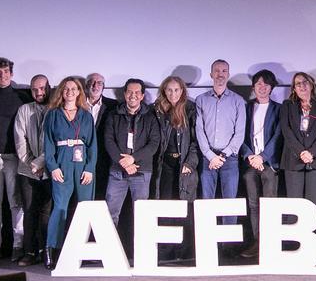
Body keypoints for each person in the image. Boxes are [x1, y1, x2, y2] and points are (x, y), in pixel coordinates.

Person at [42, 76, 98, 270]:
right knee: (60, 207)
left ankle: (84, 251)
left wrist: (90, 168)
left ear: (80, 92)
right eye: (66, 89)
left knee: (85, 208)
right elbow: (48, 144)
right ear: (61, 92)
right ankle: (51, 250)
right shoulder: (52, 115)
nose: (70, 92)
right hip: (62, 163)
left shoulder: (86, 115)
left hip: (82, 163)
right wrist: (53, 167)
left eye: (74, 88)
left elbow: (92, 145)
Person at [0, 57, 31, 262]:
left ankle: (17, 245)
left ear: (11, 73)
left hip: (13, 156)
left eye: (6, 72)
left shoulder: (20, 97)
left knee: (15, 202)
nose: (2, 75)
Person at [103, 79, 162, 231]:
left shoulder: (151, 117)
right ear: (124, 94)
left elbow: (154, 143)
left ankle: (142, 252)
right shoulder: (113, 115)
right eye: (130, 92)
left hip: (141, 172)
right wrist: (123, 162)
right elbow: (108, 141)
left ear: (142, 96)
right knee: (110, 214)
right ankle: (110, 250)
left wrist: (133, 159)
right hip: (117, 171)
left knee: (142, 215)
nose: (133, 95)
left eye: (137, 92)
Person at [153, 75, 199, 262]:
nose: (173, 94)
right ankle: (166, 250)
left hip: (184, 165)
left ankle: (184, 251)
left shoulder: (190, 109)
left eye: (177, 90)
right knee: (165, 206)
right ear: (164, 90)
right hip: (164, 166)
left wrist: (190, 162)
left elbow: (197, 141)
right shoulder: (156, 110)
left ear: (182, 91)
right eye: (169, 90)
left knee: (185, 207)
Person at [195, 59, 246, 225]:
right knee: (207, 200)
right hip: (207, 157)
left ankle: (228, 246)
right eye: (217, 71)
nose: (220, 74)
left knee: (229, 202)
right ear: (211, 74)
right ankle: (207, 238)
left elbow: (239, 133)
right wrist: (211, 156)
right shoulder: (201, 100)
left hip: (229, 158)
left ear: (228, 75)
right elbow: (199, 130)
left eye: (224, 71)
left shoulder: (238, 101)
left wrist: (222, 156)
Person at [239, 69, 282, 258]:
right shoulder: (246, 108)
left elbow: (278, 136)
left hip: (269, 164)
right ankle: (258, 243)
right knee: (253, 204)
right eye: (258, 84)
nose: (262, 88)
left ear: (271, 88)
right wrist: (249, 156)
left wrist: (263, 157)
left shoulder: (279, 109)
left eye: (265, 84)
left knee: (270, 205)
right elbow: (239, 133)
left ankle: (271, 243)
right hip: (250, 164)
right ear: (253, 87)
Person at [279, 72, 316, 219]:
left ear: (311, 84)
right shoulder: (287, 105)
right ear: (293, 88)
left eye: (305, 82)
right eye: (297, 84)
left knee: (314, 204)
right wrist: (301, 152)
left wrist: (312, 153)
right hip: (293, 159)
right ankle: (293, 240)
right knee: (294, 204)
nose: (302, 86)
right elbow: (286, 130)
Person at [13, 81, 49, 266]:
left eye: (42, 88)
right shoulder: (23, 110)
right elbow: (20, 140)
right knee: (29, 211)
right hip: (27, 171)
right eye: (35, 89)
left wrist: (41, 163)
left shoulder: (55, 109)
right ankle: (29, 252)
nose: (39, 92)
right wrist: (32, 164)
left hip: (51, 170)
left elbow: (54, 141)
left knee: (46, 212)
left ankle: (45, 251)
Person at [86, 73, 118, 203]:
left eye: (99, 83)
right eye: (92, 82)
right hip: (80, 157)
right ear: (86, 85)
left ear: (104, 87)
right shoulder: (76, 105)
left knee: (100, 196)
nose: (95, 85)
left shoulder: (113, 106)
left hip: (103, 159)